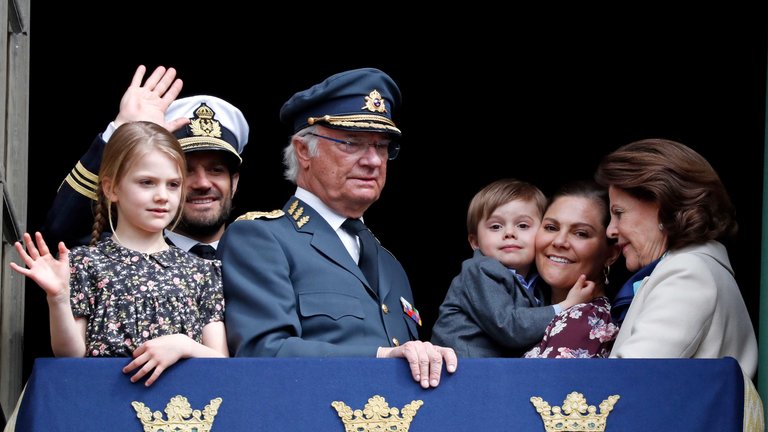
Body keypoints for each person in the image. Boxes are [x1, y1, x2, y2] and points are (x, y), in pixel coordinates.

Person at [218, 67, 457, 388]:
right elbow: (262, 352)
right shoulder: (261, 237)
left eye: (382, 146)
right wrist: (380, 358)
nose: (373, 160)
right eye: (352, 143)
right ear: (304, 150)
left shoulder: (389, 262)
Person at [10, 121, 228, 387]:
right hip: (103, 405)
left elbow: (222, 365)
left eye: (173, 184)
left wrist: (184, 346)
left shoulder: (202, 270)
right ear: (111, 188)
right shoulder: (86, 262)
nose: (162, 196)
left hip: (182, 413)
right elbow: (71, 355)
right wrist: (58, 298)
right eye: (147, 182)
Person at [42, 65, 248, 256]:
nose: (203, 183)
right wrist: (122, 133)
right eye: (185, 171)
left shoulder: (260, 254)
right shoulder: (119, 256)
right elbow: (59, 233)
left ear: (235, 182)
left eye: (216, 170)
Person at [594, 138, 758, 378]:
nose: (610, 231)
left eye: (619, 213)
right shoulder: (700, 267)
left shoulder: (688, 272)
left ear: (663, 205)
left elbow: (629, 379)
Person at [430, 179, 596, 357]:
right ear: (475, 242)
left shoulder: (537, 282)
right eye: (496, 226)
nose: (509, 233)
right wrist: (566, 306)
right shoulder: (480, 270)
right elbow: (509, 327)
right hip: (462, 372)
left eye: (523, 225)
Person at [524, 180, 620, 358]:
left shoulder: (585, 319)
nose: (559, 241)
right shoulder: (522, 306)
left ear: (611, 254)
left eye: (580, 233)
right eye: (551, 228)